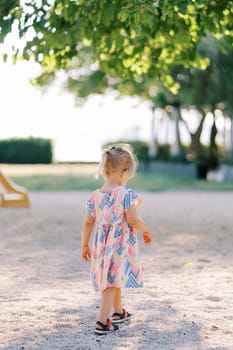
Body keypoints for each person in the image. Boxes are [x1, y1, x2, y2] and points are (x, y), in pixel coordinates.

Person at [81, 144, 152, 335]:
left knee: (114, 276)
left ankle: (119, 312)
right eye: (128, 175)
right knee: (110, 283)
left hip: (100, 245)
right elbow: (133, 220)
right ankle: (102, 322)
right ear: (124, 171)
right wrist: (146, 229)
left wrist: (84, 245)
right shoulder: (125, 194)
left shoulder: (94, 196)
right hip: (117, 245)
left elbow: (88, 223)